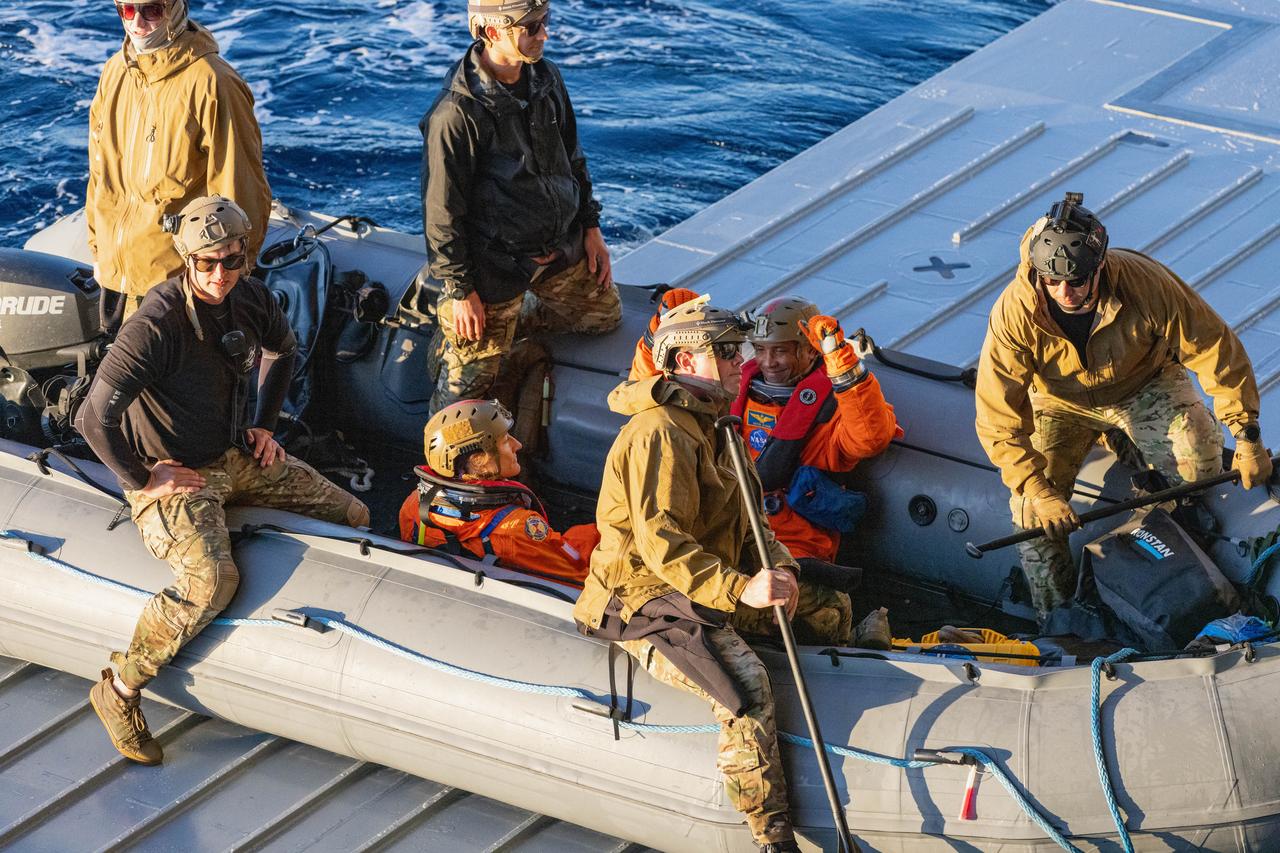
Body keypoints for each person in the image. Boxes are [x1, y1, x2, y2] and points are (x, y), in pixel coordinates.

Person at [77, 196, 370, 765]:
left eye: (231, 262)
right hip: (175, 473)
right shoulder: (156, 325)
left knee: (353, 516)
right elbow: (94, 418)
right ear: (187, 258)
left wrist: (263, 425)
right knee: (210, 580)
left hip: (234, 452)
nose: (219, 276)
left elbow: (281, 352)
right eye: (206, 263)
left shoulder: (252, 298)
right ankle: (119, 688)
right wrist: (144, 478)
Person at [575, 300, 852, 853]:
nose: (738, 360)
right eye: (723, 351)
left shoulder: (717, 424)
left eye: (736, 350)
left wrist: (782, 570)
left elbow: (754, 523)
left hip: (705, 578)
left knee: (829, 607)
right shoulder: (660, 432)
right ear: (682, 360)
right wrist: (738, 589)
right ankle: (771, 836)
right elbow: (663, 545)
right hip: (643, 596)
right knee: (744, 690)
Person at [976, 191, 1271, 621]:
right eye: (1052, 281)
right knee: (1028, 513)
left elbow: (1213, 349)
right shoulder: (1014, 314)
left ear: (1099, 267)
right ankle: (1058, 620)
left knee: (1199, 455)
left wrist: (1246, 435)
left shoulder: (1144, 283)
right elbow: (996, 416)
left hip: (1143, 383)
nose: (1065, 292)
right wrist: (1039, 491)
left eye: (1077, 280)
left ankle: (1164, 566)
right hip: (1059, 403)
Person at [420, 0, 621, 415]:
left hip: (557, 250)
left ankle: (516, 317)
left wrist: (590, 228)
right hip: (495, 267)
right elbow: (442, 214)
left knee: (603, 318)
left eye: (544, 23)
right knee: (464, 398)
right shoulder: (456, 113)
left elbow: (573, 157)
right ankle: (458, 336)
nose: (543, 34)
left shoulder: (546, 78)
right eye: (530, 27)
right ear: (493, 32)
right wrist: (461, 291)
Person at [87, 0, 271, 331]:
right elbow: (99, 175)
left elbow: (239, 191)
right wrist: (99, 253)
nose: (138, 23)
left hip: (179, 288)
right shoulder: (115, 72)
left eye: (152, 10)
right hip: (116, 282)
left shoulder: (214, 82)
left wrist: (230, 277)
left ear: (175, 9)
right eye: (127, 10)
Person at [734, 296, 901, 564]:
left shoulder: (831, 408)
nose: (768, 362)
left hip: (793, 549)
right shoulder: (732, 388)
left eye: (780, 351)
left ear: (810, 351)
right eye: (760, 349)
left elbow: (870, 437)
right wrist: (655, 340)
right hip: (728, 532)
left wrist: (844, 366)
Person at [397, 398, 598, 585]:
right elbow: (576, 576)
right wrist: (606, 532)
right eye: (505, 441)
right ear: (478, 461)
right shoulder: (515, 530)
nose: (517, 445)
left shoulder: (415, 503)